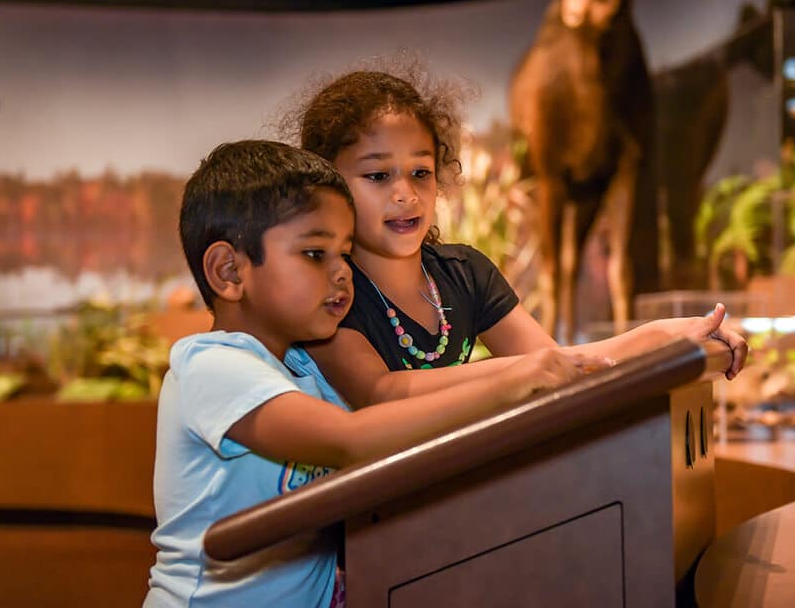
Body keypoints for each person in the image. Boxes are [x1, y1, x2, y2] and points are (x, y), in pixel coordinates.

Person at [143, 139, 593, 608]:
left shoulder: (302, 370)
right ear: (228, 270)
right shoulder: (211, 365)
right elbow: (349, 439)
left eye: (345, 254)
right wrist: (510, 382)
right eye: (317, 254)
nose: (343, 274)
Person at [289, 65, 747, 410]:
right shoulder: (330, 289)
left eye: (420, 172)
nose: (405, 194)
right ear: (327, 183)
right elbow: (379, 393)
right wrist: (515, 373)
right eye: (378, 175)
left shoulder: (465, 272)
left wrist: (672, 333)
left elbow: (561, 363)